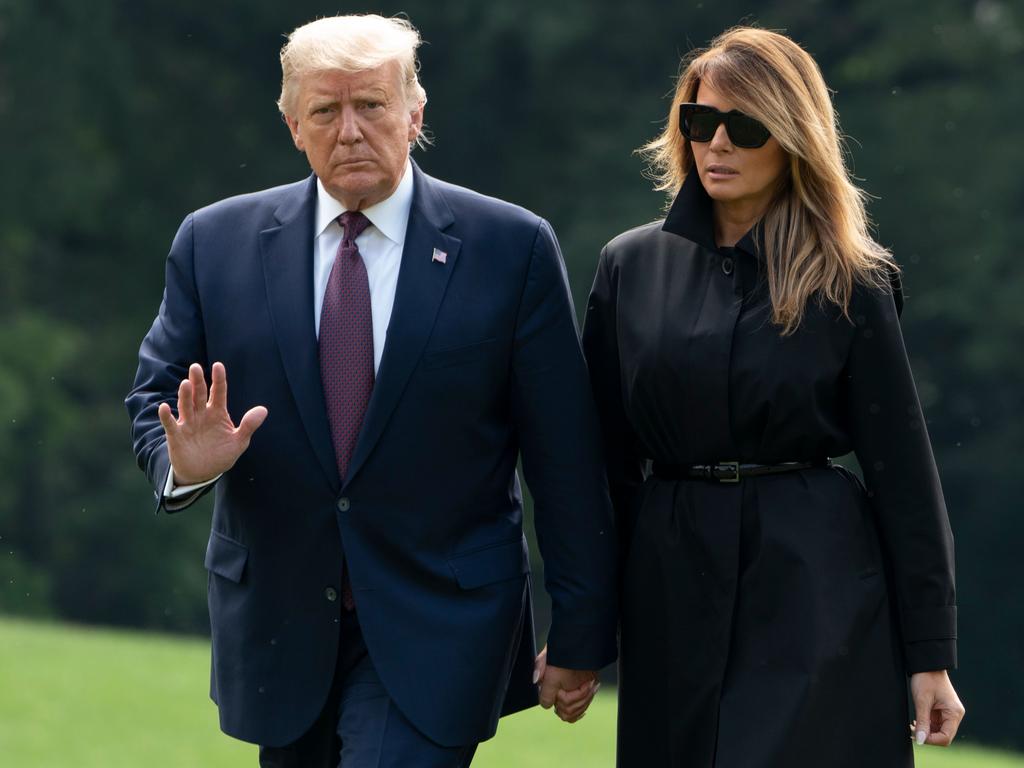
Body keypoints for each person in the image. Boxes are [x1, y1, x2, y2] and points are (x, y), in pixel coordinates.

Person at [125, 14, 614, 768]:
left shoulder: (510, 249)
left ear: (415, 114)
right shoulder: (212, 243)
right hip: (280, 630)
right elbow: (155, 404)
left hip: (442, 625)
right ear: (293, 125)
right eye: (325, 110)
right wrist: (188, 465)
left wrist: (581, 630)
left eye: (372, 106)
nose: (349, 131)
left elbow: (565, 458)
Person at [582, 27, 964, 768]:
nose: (717, 143)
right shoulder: (628, 267)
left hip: (815, 582)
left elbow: (904, 476)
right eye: (700, 122)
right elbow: (602, 469)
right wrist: (582, 628)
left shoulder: (852, 279)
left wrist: (931, 654)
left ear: (792, 137)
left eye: (744, 126)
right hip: (671, 579)